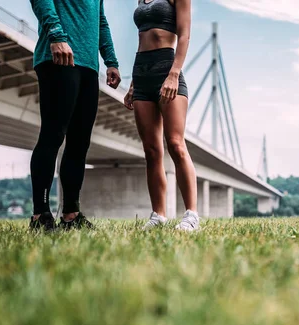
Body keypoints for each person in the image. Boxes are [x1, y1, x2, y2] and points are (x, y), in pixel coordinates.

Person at [29, 0, 121, 231]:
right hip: (58, 57)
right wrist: (56, 36)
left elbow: (100, 20)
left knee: (80, 142)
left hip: (89, 65)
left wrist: (110, 60)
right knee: (53, 135)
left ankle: (71, 215)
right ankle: (40, 214)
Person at [124, 0, 199, 231]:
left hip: (167, 68)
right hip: (141, 72)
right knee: (151, 150)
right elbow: (141, 40)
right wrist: (134, 83)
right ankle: (158, 216)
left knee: (175, 143)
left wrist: (174, 74)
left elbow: (185, 34)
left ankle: (191, 216)